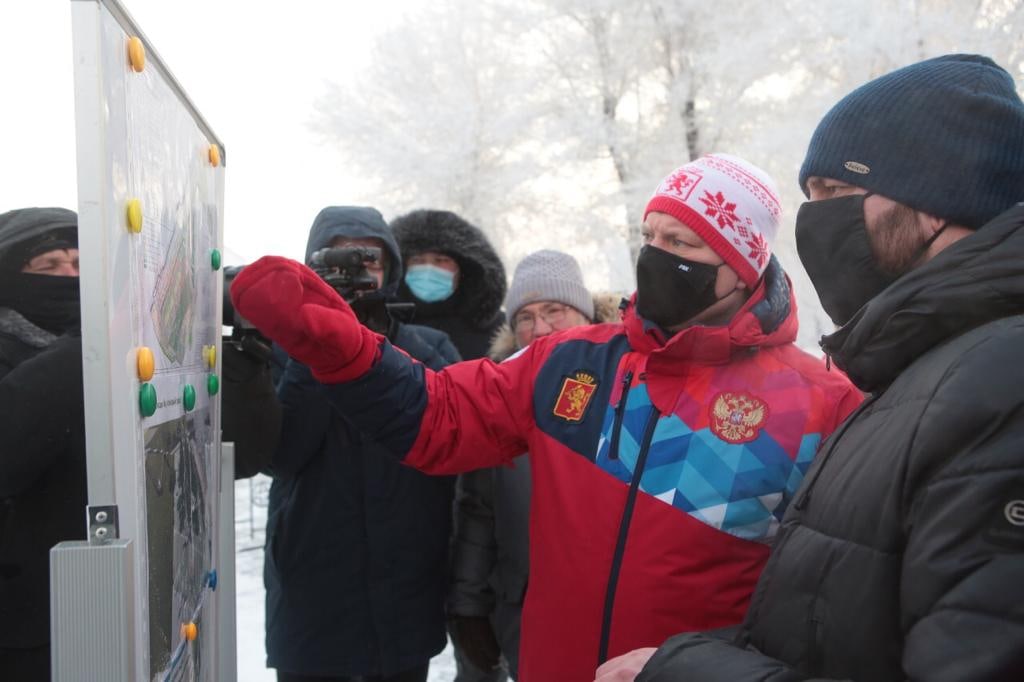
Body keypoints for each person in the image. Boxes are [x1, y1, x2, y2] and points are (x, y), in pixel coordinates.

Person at [231, 154, 863, 682]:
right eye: (650, 236)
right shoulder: (572, 362)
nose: (656, 255)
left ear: (743, 265)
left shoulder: (820, 405)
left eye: (682, 243)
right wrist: (340, 347)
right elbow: (440, 418)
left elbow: (827, 610)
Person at [602, 54, 1024, 682]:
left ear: (935, 202)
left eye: (836, 192)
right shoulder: (917, 377)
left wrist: (683, 672)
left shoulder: (998, 386)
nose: (816, 219)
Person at [264, 206, 461, 682]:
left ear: (390, 268)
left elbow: (456, 446)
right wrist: (315, 346)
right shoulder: (280, 348)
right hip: (314, 589)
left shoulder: (428, 347)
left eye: (368, 259)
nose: (355, 272)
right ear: (313, 268)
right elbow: (283, 453)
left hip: (405, 589)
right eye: (338, 259)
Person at [447, 250, 621, 680]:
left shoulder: (630, 381)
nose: (539, 328)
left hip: (616, 610)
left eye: (554, 311)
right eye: (525, 317)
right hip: (525, 612)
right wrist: (468, 607)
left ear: (583, 314)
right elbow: (477, 512)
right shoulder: (500, 399)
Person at [0, 207, 84, 682]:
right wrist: (84, 348)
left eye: (76, 265)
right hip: (21, 625)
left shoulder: (118, 353)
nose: (67, 277)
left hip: (102, 593)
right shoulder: (86, 349)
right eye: (49, 267)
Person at [390, 209, 506, 361]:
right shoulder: (385, 326)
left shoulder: (499, 333)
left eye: (441, 260)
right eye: (417, 260)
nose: (428, 270)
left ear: (463, 268)